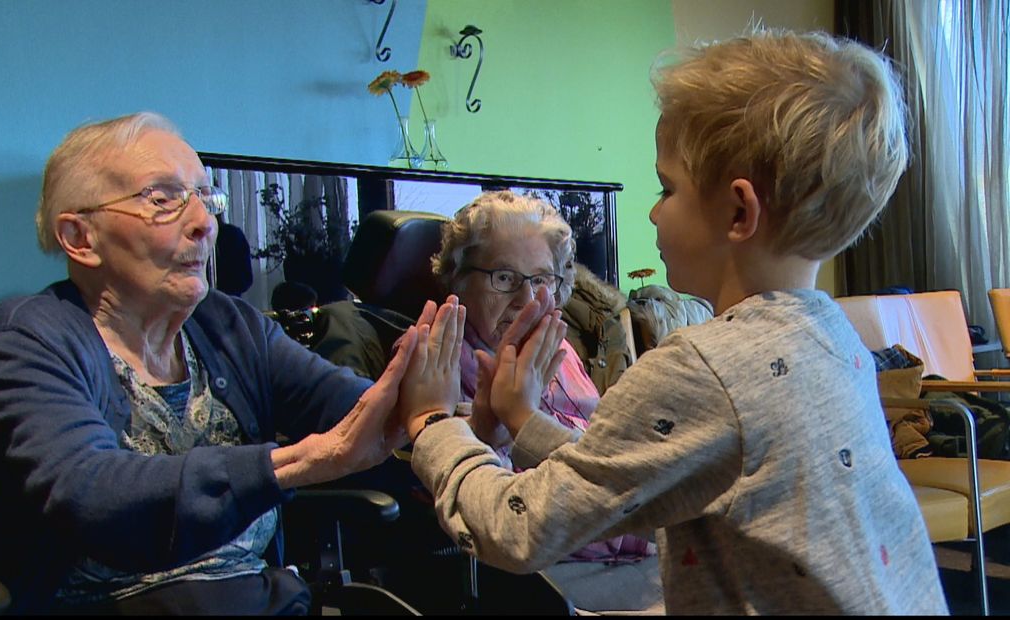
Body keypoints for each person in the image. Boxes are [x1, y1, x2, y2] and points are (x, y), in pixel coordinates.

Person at [396, 28, 948, 615]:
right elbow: (635, 475)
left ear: (739, 211)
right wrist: (525, 422)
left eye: (668, 188)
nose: (655, 211)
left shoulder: (699, 370)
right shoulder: (837, 343)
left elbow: (519, 528)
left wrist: (431, 423)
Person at [0, 111, 442, 614]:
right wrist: (299, 462)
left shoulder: (230, 324)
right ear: (80, 238)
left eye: (205, 198)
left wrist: (460, 420)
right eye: (163, 199)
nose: (205, 223)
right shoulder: (28, 337)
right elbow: (89, 491)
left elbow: (349, 406)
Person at [429, 190, 660, 612]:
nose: (526, 299)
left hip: (631, 549)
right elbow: (480, 506)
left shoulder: (560, 348)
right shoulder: (439, 361)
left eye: (540, 280)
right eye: (504, 278)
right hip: (553, 572)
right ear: (459, 279)